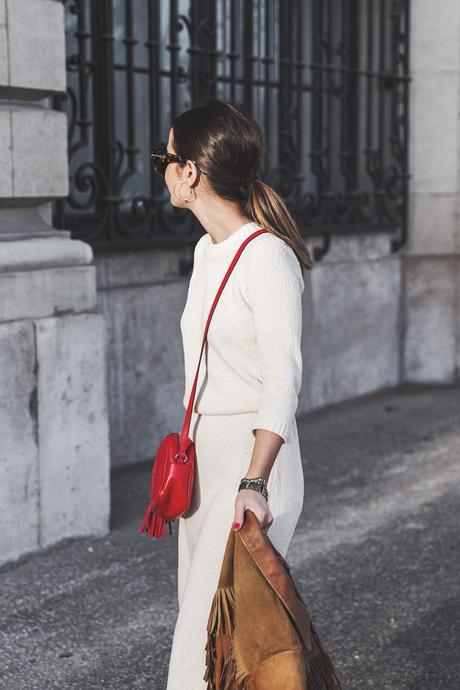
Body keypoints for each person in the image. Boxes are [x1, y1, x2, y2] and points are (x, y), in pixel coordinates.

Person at [156, 98, 314, 690]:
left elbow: (283, 376)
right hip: (203, 464)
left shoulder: (267, 257)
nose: (163, 170)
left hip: (253, 468)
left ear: (190, 172)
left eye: (164, 158)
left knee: (199, 654)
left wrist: (253, 483)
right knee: (219, 649)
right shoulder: (205, 252)